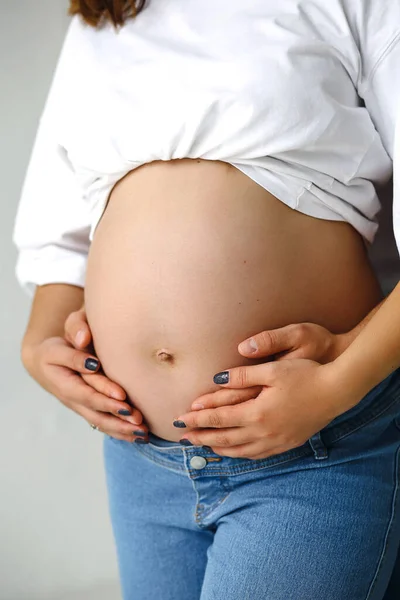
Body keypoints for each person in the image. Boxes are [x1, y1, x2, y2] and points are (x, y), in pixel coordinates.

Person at [12, 1, 400, 598]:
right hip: (141, 458)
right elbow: (59, 228)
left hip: (310, 450)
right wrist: (40, 343)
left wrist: (338, 383)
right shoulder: (105, 15)